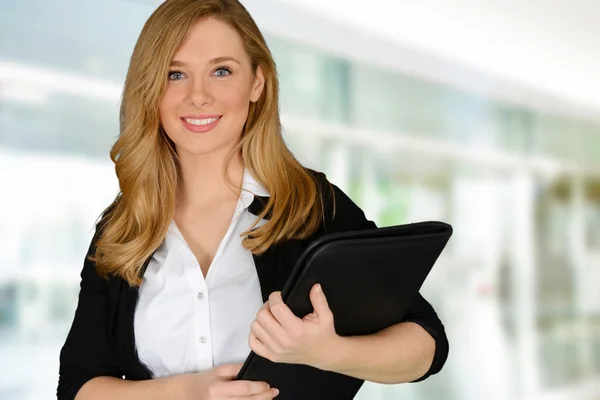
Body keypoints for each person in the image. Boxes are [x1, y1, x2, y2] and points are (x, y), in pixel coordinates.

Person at [57, 0, 449, 399]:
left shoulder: (311, 207)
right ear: (151, 89)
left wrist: (329, 352)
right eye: (175, 74)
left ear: (257, 83)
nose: (198, 95)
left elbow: (426, 343)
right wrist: (188, 392)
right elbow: (77, 387)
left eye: (221, 71)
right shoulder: (125, 226)